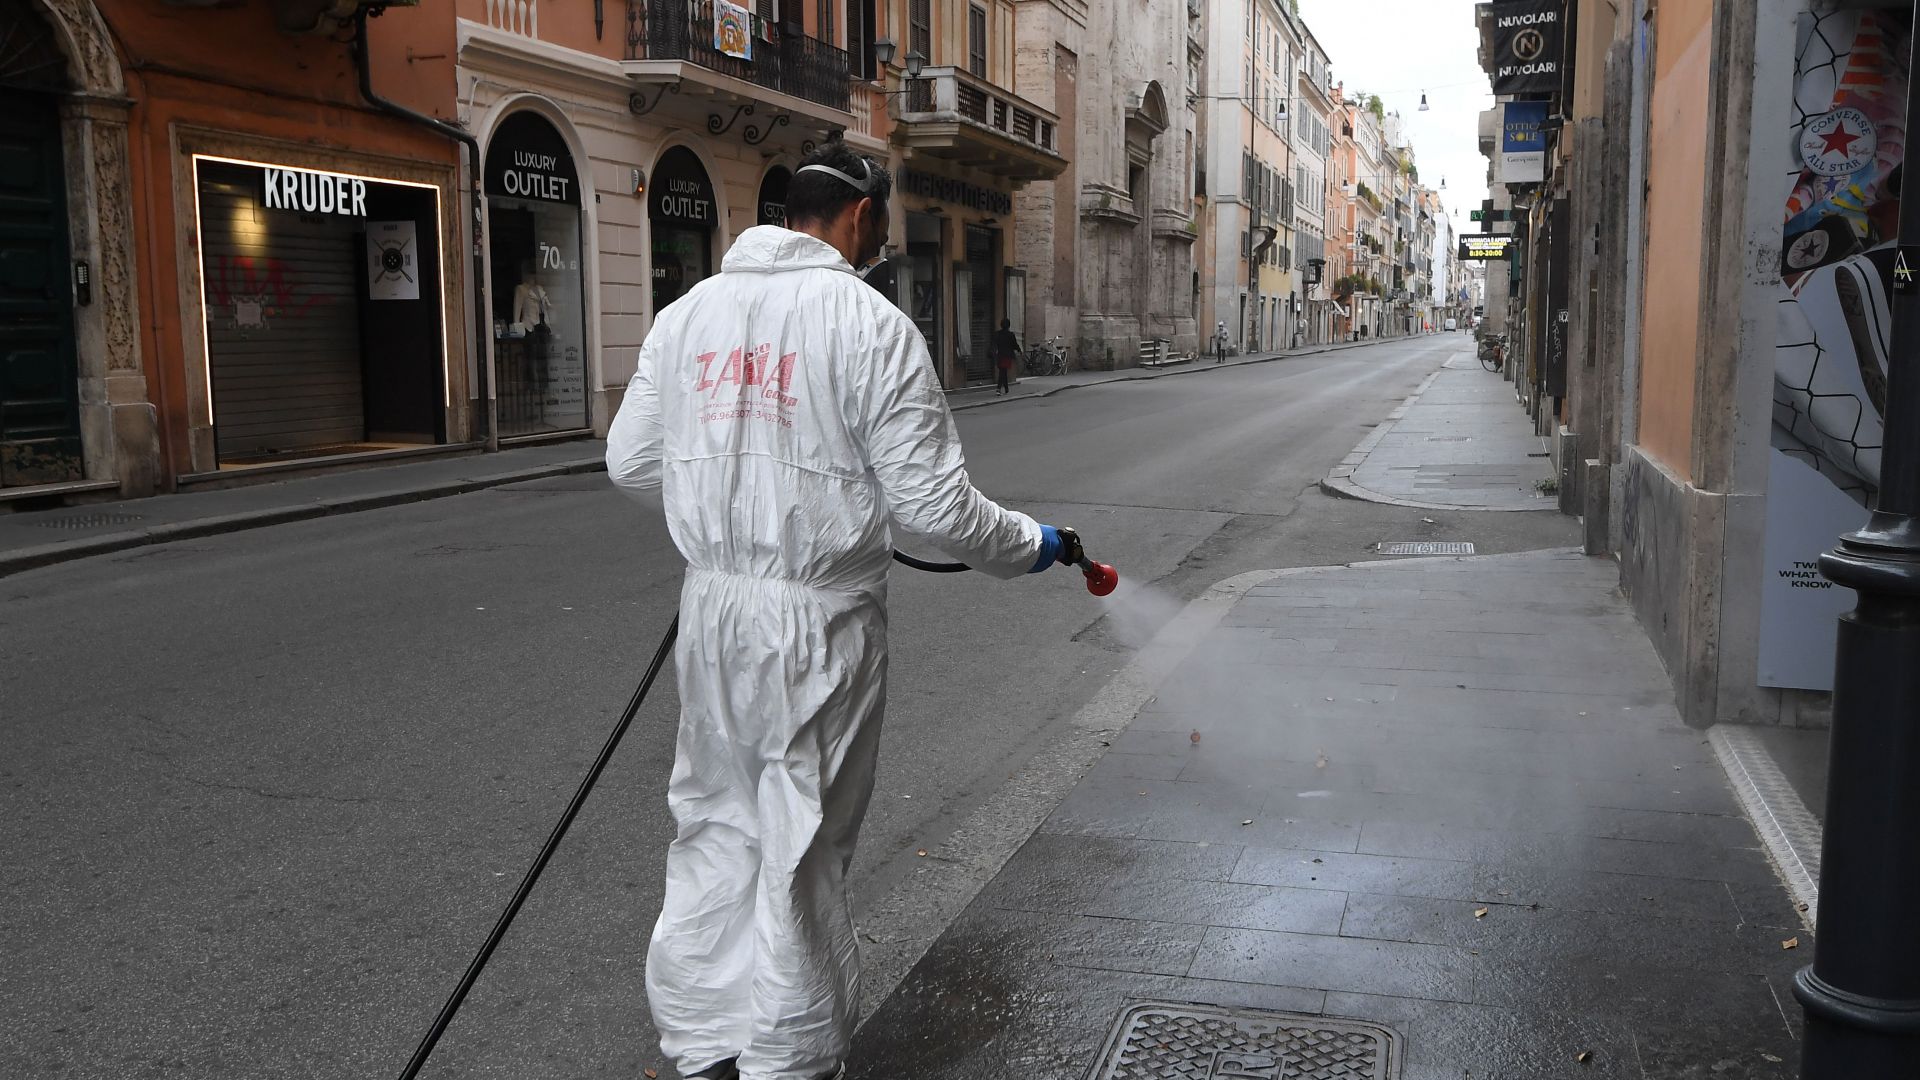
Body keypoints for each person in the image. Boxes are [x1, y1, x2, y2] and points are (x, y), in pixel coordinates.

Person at [605, 141, 1073, 1080]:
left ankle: (701, 1041)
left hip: (714, 614)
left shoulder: (686, 316)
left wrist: (730, 524)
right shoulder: (872, 327)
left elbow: (631, 461)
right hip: (817, 627)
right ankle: (789, 1058)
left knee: (714, 822)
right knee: (799, 844)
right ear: (862, 218)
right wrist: (1030, 545)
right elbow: (937, 510)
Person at [990, 318, 1020, 394]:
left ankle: (1006, 388)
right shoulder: (1010, 335)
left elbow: (994, 344)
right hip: (1007, 355)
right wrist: (1019, 350)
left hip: (999, 355)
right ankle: (998, 388)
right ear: (1009, 325)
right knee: (1003, 371)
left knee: (1002, 371)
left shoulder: (997, 334)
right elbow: (1014, 345)